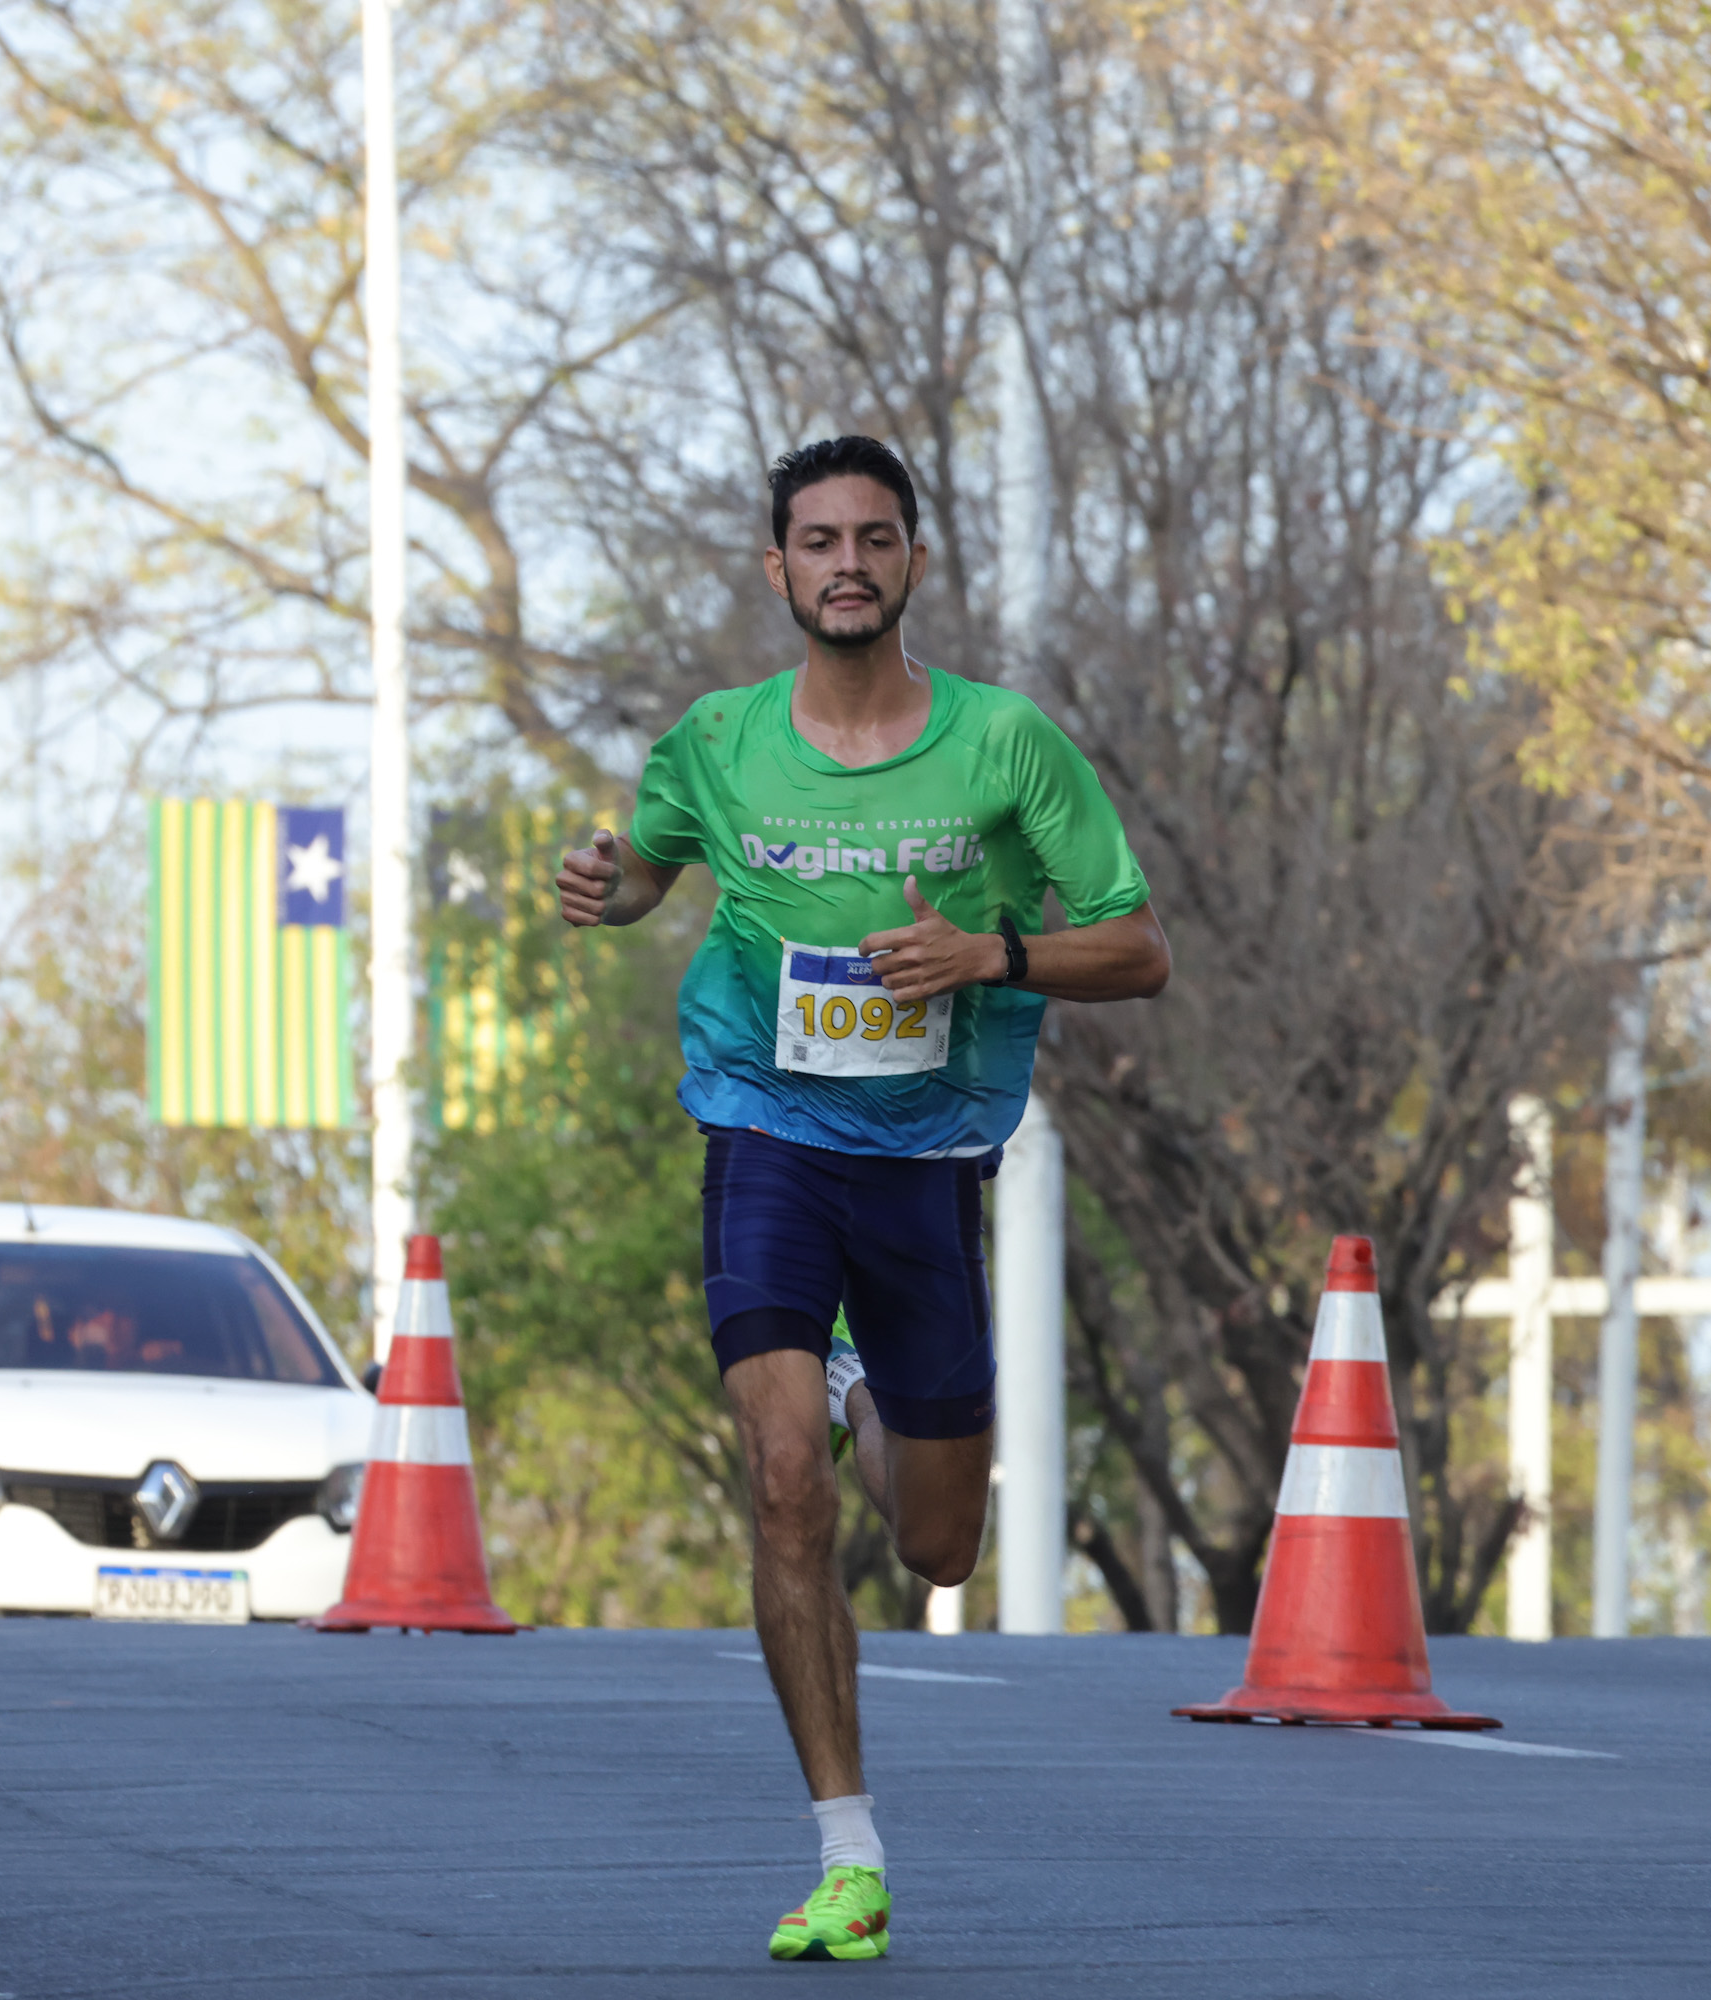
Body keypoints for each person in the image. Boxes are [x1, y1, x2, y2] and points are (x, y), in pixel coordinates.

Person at [553, 434, 1168, 1963]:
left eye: (874, 539)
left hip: (927, 1153)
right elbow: (653, 869)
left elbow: (1139, 947)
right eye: (817, 539)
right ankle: (847, 1849)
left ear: (911, 563)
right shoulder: (716, 740)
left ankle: (861, 1383)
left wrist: (988, 956)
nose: (846, 562)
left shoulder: (1005, 748)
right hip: (765, 1132)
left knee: (941, 1546)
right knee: (779, 1480)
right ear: (778, 570)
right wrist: (606, 884)